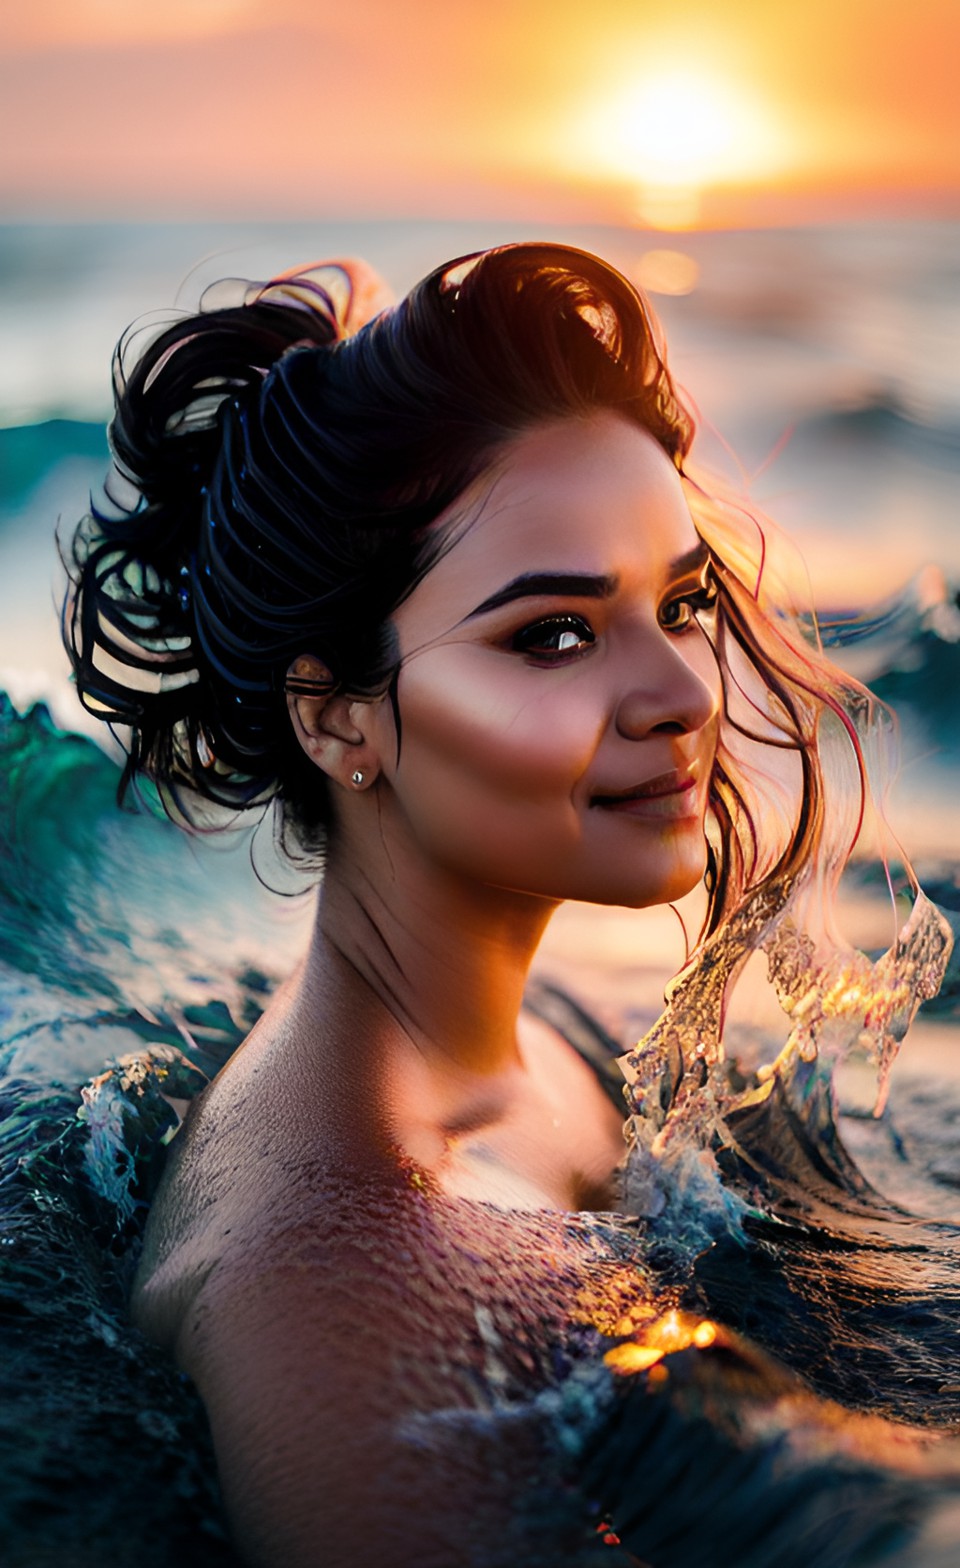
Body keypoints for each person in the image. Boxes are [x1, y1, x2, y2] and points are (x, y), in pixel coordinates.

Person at [60, 244, 959, 1568]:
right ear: (338, 717)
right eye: (553, 634)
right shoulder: (339, 1300)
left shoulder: (512, 1030)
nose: (685, 694)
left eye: (685, 600)